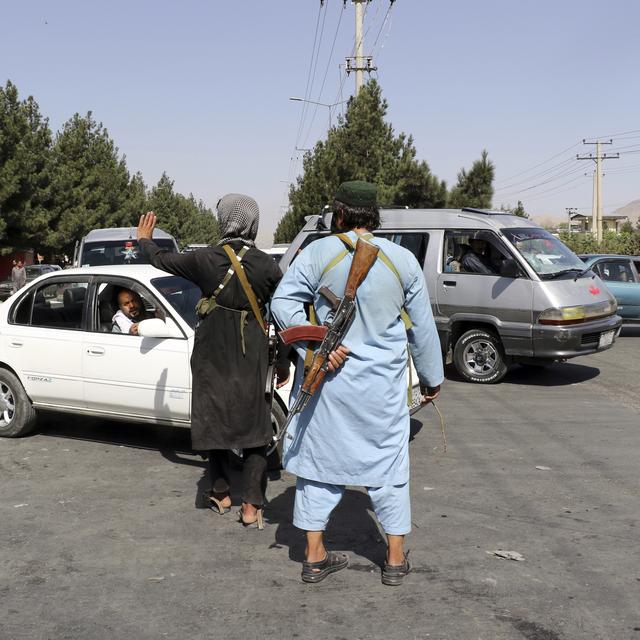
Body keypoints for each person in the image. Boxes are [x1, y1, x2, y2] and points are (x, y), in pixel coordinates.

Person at [271, 180, 444, 586]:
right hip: (380, 393)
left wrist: (316, 345)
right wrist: (433, 379)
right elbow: (422, 329)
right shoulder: (402, 260)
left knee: (318, 468)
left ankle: (314, 557)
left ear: (340, 214)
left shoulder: (317, 252)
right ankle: (395, 560)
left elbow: (282, 302)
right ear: (375, 216)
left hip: (327, 388)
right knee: (389, 471)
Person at [136, 196, 287, 528]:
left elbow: (162, 260)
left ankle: (219, 492)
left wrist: (144, 240)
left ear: (225, 221)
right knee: (255, 427)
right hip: (253, 356)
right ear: (252, 223)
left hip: (211, 356)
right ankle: (251, 506)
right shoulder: (266, 265)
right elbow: (285, 316)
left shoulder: (203, 259)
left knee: (212, 420)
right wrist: (285, 362)